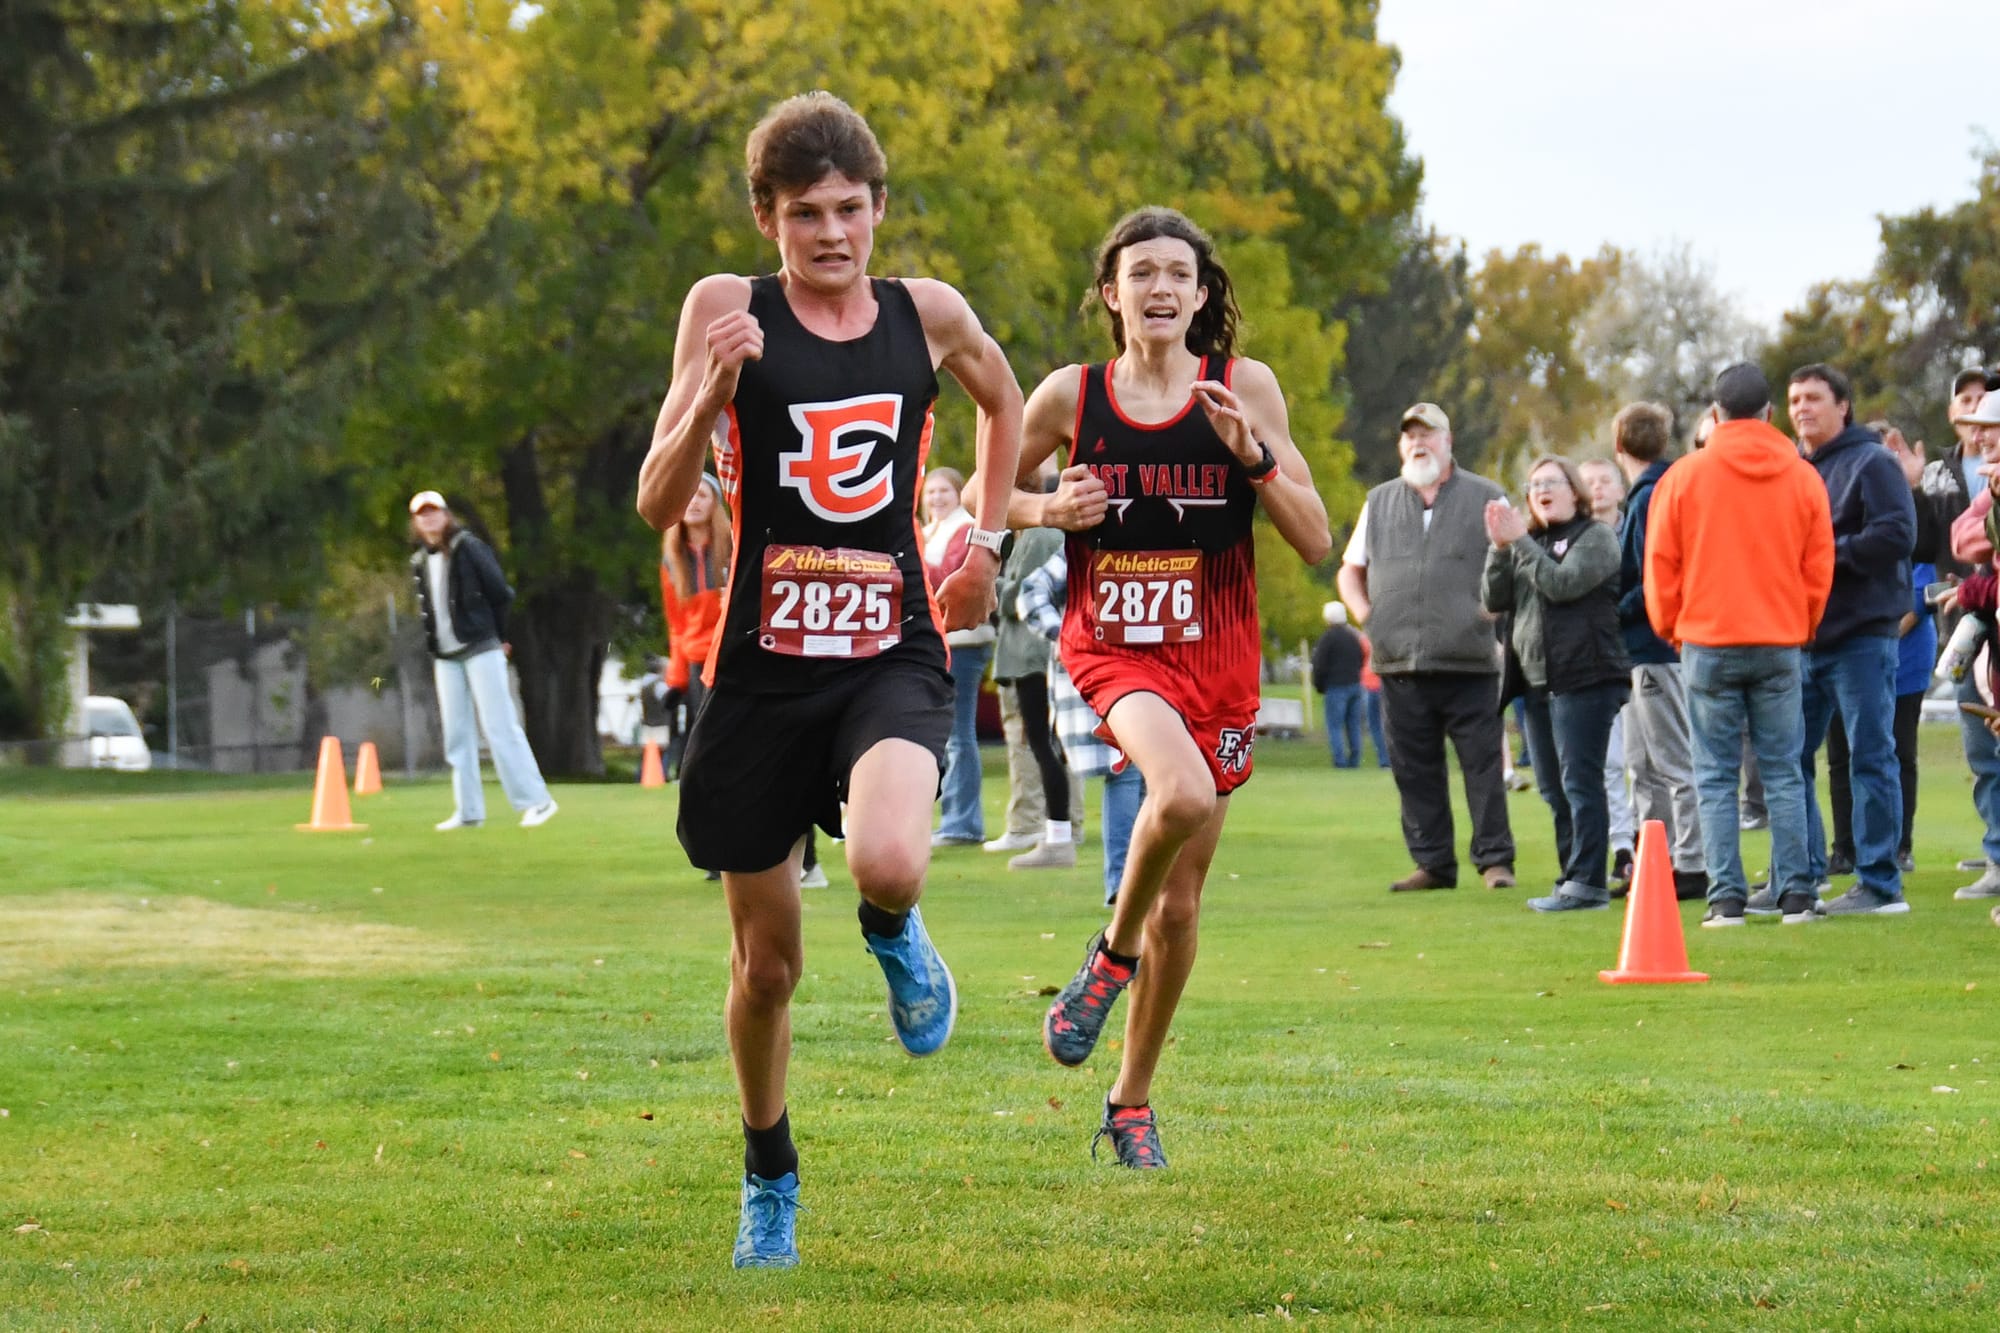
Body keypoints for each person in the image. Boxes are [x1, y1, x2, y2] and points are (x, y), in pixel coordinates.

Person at [634, 91, 1023, 1269]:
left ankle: (897, 932)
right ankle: (769, 1173)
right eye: (805, 214)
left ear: (879, 209)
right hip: (759, 669)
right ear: (766, 218)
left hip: (886, 650)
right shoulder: (723, 308)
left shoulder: (928, 312)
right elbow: (657, 502)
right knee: (767, 969)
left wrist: (989, 547)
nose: (831, 234)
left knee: (891, 858)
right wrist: (710, 391)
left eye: (850, 210)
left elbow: (1003, 404)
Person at [1003, 206, 1331, 1168]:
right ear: (1111, 292)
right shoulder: (1072, 395)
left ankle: (1131, 1099)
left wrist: (1254, 460)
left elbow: (1313, 538)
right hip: (1114, 645)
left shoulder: (1244, 387)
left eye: (1176, 273)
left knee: (1181, 910)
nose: (1159, 288)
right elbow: (991, 493)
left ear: (1198, 292)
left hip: (1218, 658)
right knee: (1177, 791)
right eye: (1140, 271)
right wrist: (1051, 505)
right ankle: (1109, 956)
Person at [1644, 363, 1832, 927]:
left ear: (1715, 415)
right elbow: (1819, 564)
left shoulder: (1683, 477)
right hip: (1778, 637)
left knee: (1715, 774)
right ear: (1770, 413)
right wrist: (1802, 624)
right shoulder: (1801, 476)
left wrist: (1675, 627)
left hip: (1708, 637)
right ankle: (1796, 892)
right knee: (1782, 770)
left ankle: (1726, 898)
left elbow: (1659, 566)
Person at [1338, 403, 1516, 891]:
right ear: (1401, 446)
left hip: (1471, 662)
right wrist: (1366, 614)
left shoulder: (1487, 496)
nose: (1418, 443)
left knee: (1482, 767)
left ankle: (1495, 861)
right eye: (1410, 436)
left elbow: (1515, 559)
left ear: (1448, 441)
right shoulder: (1379, 501)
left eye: (1428, 435)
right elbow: (1350, 568)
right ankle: (1433, 864)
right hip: (1398, 661)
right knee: (1414, 771)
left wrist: (1491, 612)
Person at [1785, 363, 1916, 917]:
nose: (1801, 409)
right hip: (1804, 638)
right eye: (1793, 401)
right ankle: (1802, 876)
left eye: (1813, 398)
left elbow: (1896, 533)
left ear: (1843, 406)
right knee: (1787, 759)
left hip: (1862, 634)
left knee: (1870, 756)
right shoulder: (1793, 470)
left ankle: (1881, 885)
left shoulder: (1873, 462)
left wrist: (1823, 558)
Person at [1482, 457, 1631, 911]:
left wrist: (1520, 542)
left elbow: (1563, 584)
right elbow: (1494, 597)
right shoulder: (1533, 541)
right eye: (1534, 484)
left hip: (1586, 676)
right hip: (1536, 682)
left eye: (1552, 482)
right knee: (1552, 785)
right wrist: (1498, 548)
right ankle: (1572, 876)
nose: (1541, 490)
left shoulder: (1596, 538)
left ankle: (1588, 882)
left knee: (1581, 780)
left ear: (1575, 491)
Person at [407, 490, 559, 831]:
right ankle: (469, 811)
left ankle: (537, 801)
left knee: (499, 725)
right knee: (457, 735)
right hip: (445, 654)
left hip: (481, 646)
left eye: (434, 512)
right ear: (416, 522)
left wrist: (501, 636)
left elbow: (501, 594)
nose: (429, 519)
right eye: (422, 514)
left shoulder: (469, 548)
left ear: (446, 515)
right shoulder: (420, 560)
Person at [1611, 404, 1709, 901]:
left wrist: (1612, 606)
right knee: (1643, 762)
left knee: (1671, 759)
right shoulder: (1657, 492)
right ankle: (1658, 858)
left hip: (1653, 645)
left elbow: (1652, 578)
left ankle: (1690, 860)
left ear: (1618, 446)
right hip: (1645, 647)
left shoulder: (1648, 498)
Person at [1019, 545, 1145, 904]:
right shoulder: (1085, 545)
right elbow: (1032, 592)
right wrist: (1062, 635)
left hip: (1138, 668)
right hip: (1105, 671)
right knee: (1127, 771)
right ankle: (1123, 883)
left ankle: (1132, 882)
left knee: (1142, 776)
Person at [990, 508, 1081, 869]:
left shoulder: (1042, 536)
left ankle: (1058, 836)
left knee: (1045, 745)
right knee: (1046, 744)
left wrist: (988, 584)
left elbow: (1023, 597)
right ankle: (1058, 832)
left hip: (1035, 654)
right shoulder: (1026, 537)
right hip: (1028, 655)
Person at [1942, 391, 2000, 902]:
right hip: (1990, 651)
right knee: (1986, 757)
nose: (1979, 437)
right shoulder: (1991, 487)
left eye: (1989, 427)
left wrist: (1970, 590)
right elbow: (1962, 538)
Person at [922, 466, 996, 847]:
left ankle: (963, 821)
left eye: (943, 491)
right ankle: (952, 817)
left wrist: (915, 562)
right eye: (930, 492)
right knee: (948, 733)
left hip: (964, 640)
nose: (936, 498)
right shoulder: (927, 532)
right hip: (938, 639)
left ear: (957, 493)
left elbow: (951, 575)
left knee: (959, 732)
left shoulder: (964, 528)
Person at [1578, 457, 1637, 890]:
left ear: (1620, 489)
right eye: (1588, 483)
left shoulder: (1633, 531)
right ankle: (1621, 846)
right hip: (1594, 660)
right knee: (1609, 760)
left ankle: (1656, 842)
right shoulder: (1573, 538)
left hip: (1637, 654)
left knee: (1645, 758)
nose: (1596, 489)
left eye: (1604, 481)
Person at [660, 472, 732, 780]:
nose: (694, 503)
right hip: (697, 663)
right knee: (702, 743)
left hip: (731, 655)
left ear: (715, 503)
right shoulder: (672, 561)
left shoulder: (734, 548)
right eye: (688, 496)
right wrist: (675, 680)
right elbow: (676, 624)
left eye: (701, 496)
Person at [1919, 368, 1998, 580]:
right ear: (1951, 414)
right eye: (1965, 400)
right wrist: (1913, 489)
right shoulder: (1934, 475)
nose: (1974, 407)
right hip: (1958, 606)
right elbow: (1924, 548)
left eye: (1982, 399)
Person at [1311, 601, 1367, 768]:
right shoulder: (1352, 637)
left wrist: (1319, 685)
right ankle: (1355, 760)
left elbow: (1319, 664)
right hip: (1355, 685)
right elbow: (1361, 657)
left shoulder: (1327, 639)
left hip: (1336, 687)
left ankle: (1340, 761)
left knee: (1335, 725)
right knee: (1354, 725)